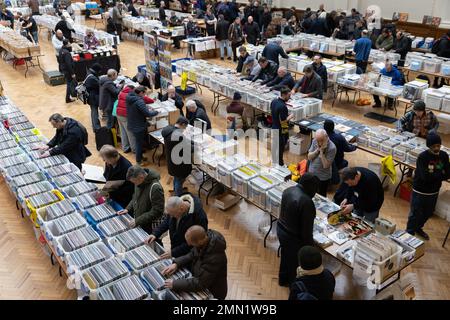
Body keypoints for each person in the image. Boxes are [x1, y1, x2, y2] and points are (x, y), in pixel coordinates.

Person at [162, 226, 228, 300]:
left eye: (191, 243)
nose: (189, 245)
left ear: (199, 242)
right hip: (202, 282)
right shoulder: (204, 241)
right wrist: (176, 264)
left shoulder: (214, 258)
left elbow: (200, 283)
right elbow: (192, 254)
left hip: (213, 291)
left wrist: (175, 284)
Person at [277, 173, 319, 286]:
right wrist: (310, 247)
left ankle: (282, 279)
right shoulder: (306, 202)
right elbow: (306, 231)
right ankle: (293, 285)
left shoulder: (289, 189)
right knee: (294, 263)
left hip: (281, 228)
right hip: (293, 238)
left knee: (285, 257)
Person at [406, 133, 450, 240]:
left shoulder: (444, 156)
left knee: (428, 212)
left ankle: (418, 228)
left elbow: (448, 173)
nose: (436, 148)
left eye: (438, 146)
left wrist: (435, 175)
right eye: (434, 146)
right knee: (414, 214)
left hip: (434, 191)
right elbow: (425, 177)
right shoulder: (422, 157)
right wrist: (441, 174)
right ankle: (409, 234)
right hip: (419, 191)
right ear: (428, 146)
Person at [147, 195, 209, 259]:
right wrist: (154, 234)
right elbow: (167, 222)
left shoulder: (199, 216)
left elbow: (194, 242)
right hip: (175, 249)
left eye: (173, 215)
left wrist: (174, 252)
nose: (171, 217)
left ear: (181, 209)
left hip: (187, 256)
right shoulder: (174, 208)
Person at [118, 166, 165, 233]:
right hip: (141, 221)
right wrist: (127, 209)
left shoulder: (155, 188)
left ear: (141, 177)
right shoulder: (139, 182)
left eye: (134, 182)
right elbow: (135, 197)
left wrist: (138, 220)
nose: (134, 184)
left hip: (150, 226)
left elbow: (157, 211)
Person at [117, 84, 154, 153]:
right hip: (125, 115)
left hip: (118, 113)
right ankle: (135, 150)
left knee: (123, 132)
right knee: (130, 133)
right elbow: (147, 100)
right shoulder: (134, 95)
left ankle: (125, 147)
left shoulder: (122, 92)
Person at [126, 86, 159, 165]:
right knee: (139, 143)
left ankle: (140, 157)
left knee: (139, 142)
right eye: (145, 93)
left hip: (132, 123)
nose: (146, 95)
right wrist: (156, 112)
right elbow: (148, 114)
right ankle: (139, 160)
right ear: (141, 93)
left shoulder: (130, 97)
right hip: (138, 126)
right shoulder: (139, 101)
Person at [161, 116, 193, 196]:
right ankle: (178, 197)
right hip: (180, 164)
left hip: (172, 162)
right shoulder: (178, 135)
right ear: (182, 124)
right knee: (180, 180)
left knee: (176, 178)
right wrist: (197, 147)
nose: (184, 129)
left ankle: (176, 190)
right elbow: (187, 148)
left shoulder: (169, 130)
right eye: (185, 127)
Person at [307, 129, 336, 196]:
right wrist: (317, 150)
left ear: (326, 136)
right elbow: (309, 157)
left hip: (323, 177)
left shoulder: (332, 147)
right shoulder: (315, 141)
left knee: (321, 195)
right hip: (312, 173)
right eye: (318, 140)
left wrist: (322, 152)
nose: (319, 143)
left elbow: (326, 165)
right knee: (311, 193)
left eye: (322, 140)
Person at [270, 87, 294, 166]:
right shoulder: (283, 106)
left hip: (274, 127)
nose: (289, 97)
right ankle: (280, 164)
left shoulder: (273, 101)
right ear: (284, 95)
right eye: (288, 95)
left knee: (274, 146)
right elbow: (283, 122)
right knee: (280, 148)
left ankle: (274, 161)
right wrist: (290, 116)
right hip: (280, 130)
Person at [84, 63, 103, 132]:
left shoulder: (89, 73)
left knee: (93, 111)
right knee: (94, 112)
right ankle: (96, 128)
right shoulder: (92, 78)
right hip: (93, 97)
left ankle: (95, 127)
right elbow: (100, 85)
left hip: (91, 96)